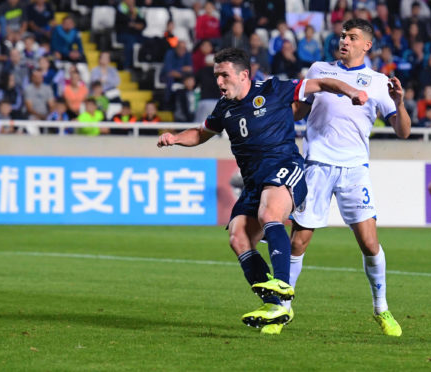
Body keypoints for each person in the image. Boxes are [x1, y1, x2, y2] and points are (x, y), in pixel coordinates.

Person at [157, 47, 368, 335]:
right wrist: (175, 138)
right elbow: (200, 133)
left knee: (270, 211)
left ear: (243, 75)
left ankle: (282, 283)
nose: (219, 82)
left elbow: (320, 83)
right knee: (238, 236)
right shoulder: (224, 108)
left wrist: (351, 91)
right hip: (254, 181)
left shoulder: (273, 88)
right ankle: (275, 306)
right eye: (216, 75)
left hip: (285, 167)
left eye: (224, 75)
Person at [289, 19, 411, 337]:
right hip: (316, 165)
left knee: (370, 244)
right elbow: (298, 112)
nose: (345, 40)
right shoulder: (318, 70)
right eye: (343, 35)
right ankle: (282, 309)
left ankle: (381, 308)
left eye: (352, 37)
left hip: (355, 169)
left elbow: (403, 131)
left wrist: (399, 103)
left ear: (366, 45)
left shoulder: (378, 81)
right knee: (298, 242)